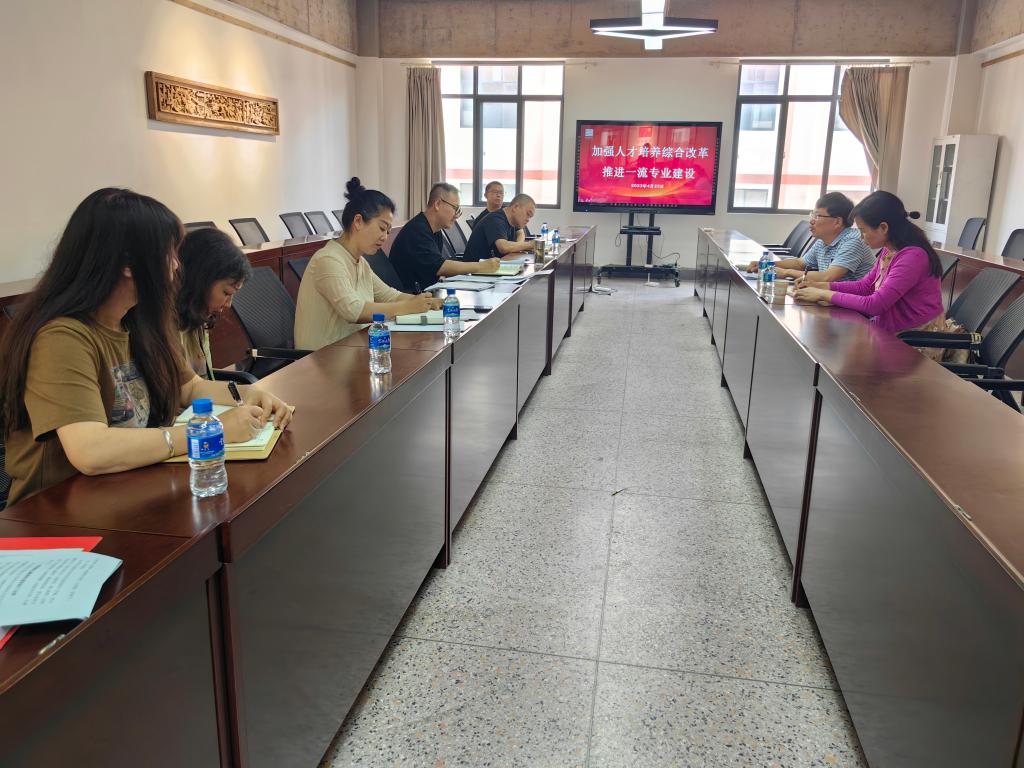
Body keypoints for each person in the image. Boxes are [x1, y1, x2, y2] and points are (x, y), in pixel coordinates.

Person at [0, 188, 292, 506]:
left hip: (128, 490)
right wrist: (213, 430)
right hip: (58, 512)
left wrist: (247, 394)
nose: (177, 266)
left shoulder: (138, 321)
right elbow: (90, 451)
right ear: (128, 264)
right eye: (169, 254)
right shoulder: (62, 338)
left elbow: (189, 387)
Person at [294, 178, 442, 350]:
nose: (385, 237)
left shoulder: (360, 262)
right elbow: (353, 311)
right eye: (382, 228)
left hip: (352, 349)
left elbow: (390, 295)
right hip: (321, 358)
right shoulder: (328, 260)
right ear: (358, 221)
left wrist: (427, 302)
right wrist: (408, 307)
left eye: (388, 231)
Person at [792, 191, 944, 337]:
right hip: (889, 331)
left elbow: (875, 305)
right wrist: (819, 286)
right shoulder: (889, 250)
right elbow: (865, 287)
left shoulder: (913, 257)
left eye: (863, 231)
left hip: (913, 339)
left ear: (883, 228)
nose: (861, 237)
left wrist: (823, 294)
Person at [389, 183, 500, 294]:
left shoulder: (435, 230)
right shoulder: (417, 230)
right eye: (455, 208)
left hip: (428, 292)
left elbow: (435, 266)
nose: (457, 215)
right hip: (410, 297)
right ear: (437, 204)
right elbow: (440, 267)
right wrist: (481, 266)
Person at [176, 227, 252, 379]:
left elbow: (203, 379)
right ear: (201, 280)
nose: (228, 304)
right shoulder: (166, 326)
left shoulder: (198, 318)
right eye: (226, 293)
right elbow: (187, 388)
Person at [746, 192, 874, 282]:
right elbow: (800, 263)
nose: (812, 221)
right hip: (833, 298)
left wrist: (785, 273)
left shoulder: (853, 241)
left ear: (837, 222)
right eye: (812, 215)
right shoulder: (823, 241)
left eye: (817, 216)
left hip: (856, 307)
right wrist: (766, 264)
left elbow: (828, 277)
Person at [463, 193, 537, 262]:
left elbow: (520, 233)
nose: (528, 219)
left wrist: (519, 246)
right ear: (515, 207)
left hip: (491, 266)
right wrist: (530, 244)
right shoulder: (495, 220)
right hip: (475, 268)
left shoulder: (512, 219)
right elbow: (503, 247)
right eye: (528, 214)